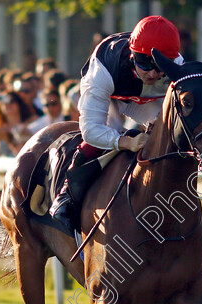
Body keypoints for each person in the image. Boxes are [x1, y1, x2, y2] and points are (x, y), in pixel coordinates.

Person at [49, 15, 184, 230]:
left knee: (171, 132)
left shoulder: (176, 67)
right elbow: (91, 131)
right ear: (132, 55)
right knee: (108, 133)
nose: (151, 73)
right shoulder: (104, 71)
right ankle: (67, 194)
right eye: (144, 63)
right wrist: (127, 143)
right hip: (113, 95)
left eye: (159, 66)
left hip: (147, 99)